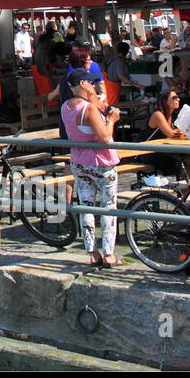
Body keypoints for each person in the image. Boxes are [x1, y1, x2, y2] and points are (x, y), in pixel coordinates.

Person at [61, 70, 122, 267]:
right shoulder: (88, 109)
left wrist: (93, 98)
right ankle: (109, 253)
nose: (93, 85)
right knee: (108, 206)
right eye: (90, 82)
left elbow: (91, 110)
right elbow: (104, 137)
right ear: (82, 84)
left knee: (86, 205)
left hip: (78, 161)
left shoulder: (66, 107)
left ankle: (92, 252)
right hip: (101, 162)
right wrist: (111, 120)